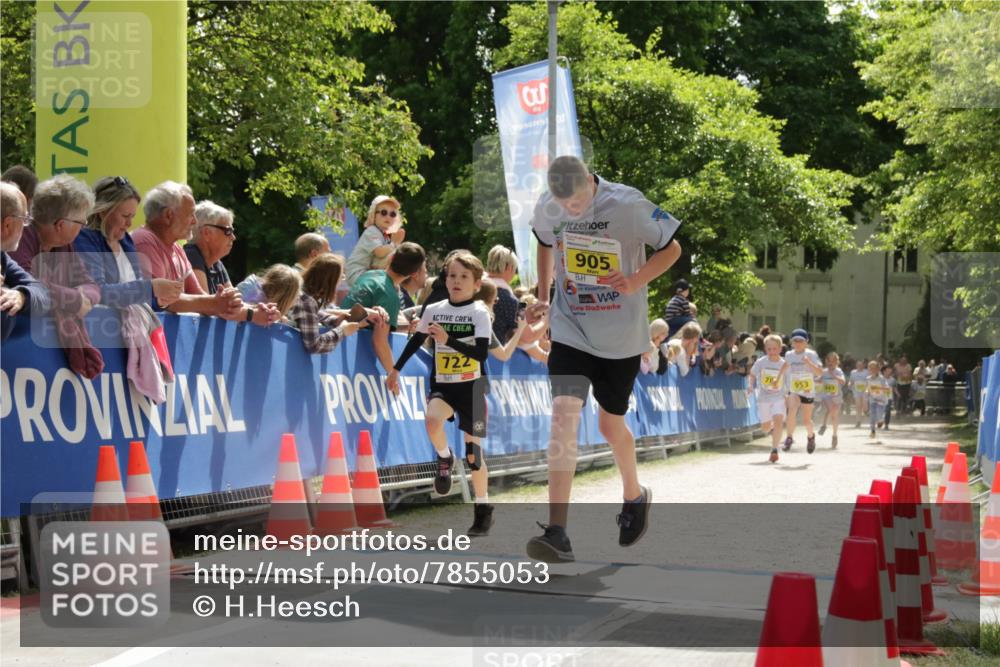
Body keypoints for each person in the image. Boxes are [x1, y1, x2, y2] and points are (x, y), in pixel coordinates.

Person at [524, 155, 682, 562]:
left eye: (576, 203)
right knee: (563, 412)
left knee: (610, 425)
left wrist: (635, 280)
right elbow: (543, 241)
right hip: (571, 328)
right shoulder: (549, 204)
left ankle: (634, 495)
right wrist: (543, 296)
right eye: (563, 206)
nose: (570, 212)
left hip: (621, 337)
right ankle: (557, 529)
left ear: (590, 182)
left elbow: (673, 248)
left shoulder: (628, 203)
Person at [386, 252, 495, 536]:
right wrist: (396, 369)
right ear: (444, 279)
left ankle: (482, 509)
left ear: (476, 283)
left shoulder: (479, 313)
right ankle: (444, 457)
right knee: (432, 421)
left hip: (474, 389)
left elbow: (481, 353)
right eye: (452, 276)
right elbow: (416, 342)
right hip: (444, 386)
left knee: (474, 456)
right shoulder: (434, 309)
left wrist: (448, 340)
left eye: (463, 277)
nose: (456, 281)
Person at [133, 182, 274, 324]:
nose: (194, 222)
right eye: (190, 214)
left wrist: (249, 309)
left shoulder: (176, 250)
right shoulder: (144, 241)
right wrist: (219, 303)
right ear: (168, 215)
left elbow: (199, 297)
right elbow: (164, 299)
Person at [9, 174, 105, 377]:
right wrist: (74, 299)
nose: (83, 227)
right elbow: (28, 285)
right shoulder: (21, 236)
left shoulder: (64, 246)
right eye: (82, 222)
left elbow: (91, 285)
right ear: (61, 224)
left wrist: (83, 297)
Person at [73, 176, 183, 310]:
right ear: (103, 212)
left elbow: (138, 298)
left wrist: (159, 300)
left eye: (132, 216)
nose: (130, 223)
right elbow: (96, 292)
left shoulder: (126, 240)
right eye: (125, 216)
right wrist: (151, 287)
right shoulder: (84, 239)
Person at [342, 242, 426, 372]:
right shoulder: (389, 295)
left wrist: (407, 327)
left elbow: (377, 323)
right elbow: (379, 341)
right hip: (350, 347)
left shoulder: (369, 275)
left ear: (391, 258)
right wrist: (393, 375)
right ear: (414, 274)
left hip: (341, 338)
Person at [288, 254, 370, 354]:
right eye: (341, 277)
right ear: (331, 280)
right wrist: (342, 331)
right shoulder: (306, 301)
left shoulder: (304, 296)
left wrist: (336, 320)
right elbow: (314, 345)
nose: (341, 281)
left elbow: (313, 315)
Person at [1, 181, 49, 341]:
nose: (26, 226)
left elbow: (42, 293)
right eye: (25, 218)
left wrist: (20, 296)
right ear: (8, 224)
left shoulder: (3, 257)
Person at [344, 195, 405, 285]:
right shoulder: (371, 231)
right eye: (384, 212)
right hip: (357, 272)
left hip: (368, 273)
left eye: (393, 214)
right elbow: (379, 252)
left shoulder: (384, 235)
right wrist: (394, 243)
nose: (388, 217)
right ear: (373, 215)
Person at [748, 334, 790, 463]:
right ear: (765, 349)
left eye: (774, 349)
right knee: (765, 427)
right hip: (764, 398)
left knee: (778, 421)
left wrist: (788, 394)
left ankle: (774, 449)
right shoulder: (761, 362)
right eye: (769, 349)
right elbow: (752, 374)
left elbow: (788, 380)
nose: (772, 351)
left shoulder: (784, 364)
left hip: (778, 397)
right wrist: (750, 385)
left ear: (780, 349)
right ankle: (770, 428)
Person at [782, 328, 824, 453]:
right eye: (795, 341)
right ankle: (789, 438)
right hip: (794, 389)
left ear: (806, 342)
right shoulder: (789, 355)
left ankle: (811, 437)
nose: (798, 343)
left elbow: (819, 372)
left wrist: (809, 363)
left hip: (807, 390)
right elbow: (784, 371)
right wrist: (783, 389)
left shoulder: (811, 354)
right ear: (791, 342)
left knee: (806, 420)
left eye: (801, 341)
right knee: (791, 412)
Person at [186, 200, 236, 295]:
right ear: (206, 233)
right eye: (228, 231)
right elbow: (205, 306)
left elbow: (235, 302)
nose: (233, 237)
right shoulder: (191, 256)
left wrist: (256, 309)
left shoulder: (216, 263)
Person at [236, 264, 303, 323]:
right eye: (295, 296)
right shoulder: (250, 288)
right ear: (286, 298)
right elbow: (233, 306)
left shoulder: (251, 285)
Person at [485, 245, 521, 344]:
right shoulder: (509, 299)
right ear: (509, 268)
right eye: (515, 269)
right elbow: (522, 336)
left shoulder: (473, 287)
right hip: (495, 354)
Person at [816, 352, 846, 448]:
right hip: (827, 396)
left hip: (837, 396)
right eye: (829, 360)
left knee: (834, 416)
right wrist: (811, 379)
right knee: (831, 409)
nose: (830, 362)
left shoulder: (839, 371)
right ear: (826, 361)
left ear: (837, 362)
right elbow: (819, 380)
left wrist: (834, 376)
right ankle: (824, 425)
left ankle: (834, 435)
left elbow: (843, 382)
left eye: (833, 360)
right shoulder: (824, 372)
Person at [866, 361, 891, 439]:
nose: (872, 370)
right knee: (872, 415)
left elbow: (887, 389)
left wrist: (878, 388)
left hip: (881, 400)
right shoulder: (868, 378)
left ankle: (881, 421)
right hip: (873, 399)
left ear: (878, 369)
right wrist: (867, 391)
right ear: (869, 370)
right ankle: (872, 431)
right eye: (870, 368)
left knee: (879, 414)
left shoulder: (882, 378)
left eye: (874, 368)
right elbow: (868, 388)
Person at [849, 359, 869, 427]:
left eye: (861, 365)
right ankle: (858, 421)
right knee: (858, 406)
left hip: (865, 390)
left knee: (864, 405)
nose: (859, 366)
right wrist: (849, 384)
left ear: (863, 365)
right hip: (856, 390)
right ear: (856, 365)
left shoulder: (867, 372)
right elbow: (851, 381)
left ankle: (866, 411)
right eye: (858, 365)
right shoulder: (853, 372)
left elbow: (869, 381)